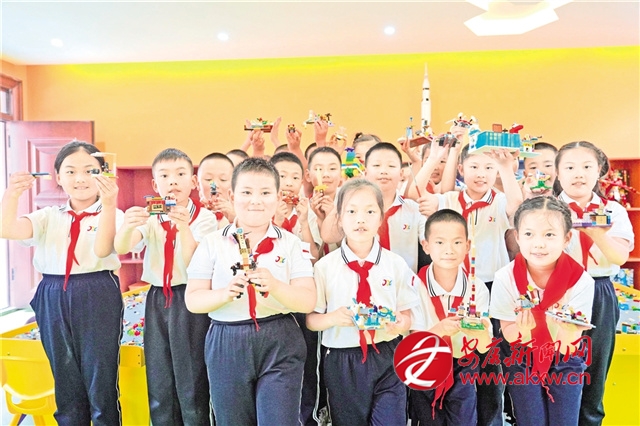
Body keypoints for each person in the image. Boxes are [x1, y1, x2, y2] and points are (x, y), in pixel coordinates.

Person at [185, 157, 316, 426]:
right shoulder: (212, 243)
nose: (256, 201)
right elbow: (193, 299)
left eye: (265, 193)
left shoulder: (291, 244)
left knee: (279, 420)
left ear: (278, 198)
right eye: (246, 192)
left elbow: (307, 300)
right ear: (232, 196)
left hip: (280, 337)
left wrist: (276, 286)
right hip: (226, 338)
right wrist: (224, 293)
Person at [1, 141, 124, 425]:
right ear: (58, 176)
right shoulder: (48, 216)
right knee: (64, 377)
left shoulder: (113, 214)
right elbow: (6, 229)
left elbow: (104, 249)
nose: (80, 178)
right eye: (70, 171)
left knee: (101, 377)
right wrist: (12, 194)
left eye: (90, 170)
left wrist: (109, 204)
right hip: (52, 293)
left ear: (103, 173)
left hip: (97, 290)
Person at [418, 144, 524, 426]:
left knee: (490, 365)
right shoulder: (448, 199)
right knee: (456, 355)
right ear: (461, 169)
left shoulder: (500, 201)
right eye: (474, 167)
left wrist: (506, 167)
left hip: (490, 288)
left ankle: (490, 420)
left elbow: (517, 207)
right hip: (452, 285)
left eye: (489, 168)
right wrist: (436, 157)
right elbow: (418, 197)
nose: (481, 174)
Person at [114, 148, 216, 426]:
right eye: (165, 176)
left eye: (181, 174)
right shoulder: (151, 217)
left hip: (190, 297)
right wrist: (127, 226)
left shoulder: (204, 218)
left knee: (191, 373)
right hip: (157, 298)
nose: (173, 181)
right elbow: (122, 247)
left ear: (193, 182)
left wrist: (184, 228)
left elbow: (196, 264)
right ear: (155, 185)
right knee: (158, 372)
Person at [308, 179, 422, 426]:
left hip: (387, 353)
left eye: (370, 212)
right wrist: (333, 318)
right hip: (342, 359)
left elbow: (407, 314)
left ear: (381, 218)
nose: (361, 219)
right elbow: (312, 321)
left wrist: (400, 323)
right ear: (339, 218)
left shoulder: (395, 264)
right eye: (351, 211)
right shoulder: (325, 267)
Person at [490, 196, 595, 426]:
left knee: (564, 421)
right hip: (522, 357)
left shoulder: (580, 281)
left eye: (549, 235)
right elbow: (508, 333)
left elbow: (569, 345)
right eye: (529, 234)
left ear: (566, 238)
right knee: (530, 420)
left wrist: (563, 327)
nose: (538, 244)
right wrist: (524, 331)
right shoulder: (505, 278)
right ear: (517, 237)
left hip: (565, 359)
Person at [553, 141, 634, 426]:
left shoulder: (613, 210)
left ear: (599, 170)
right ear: (558, 173)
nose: (579, 173)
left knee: (595, 370)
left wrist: (597, 231)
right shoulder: (547, 209)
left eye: (587, 166)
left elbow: (619, 256)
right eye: (570, 167)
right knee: (555, 367)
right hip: (557, 291)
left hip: (599, 291)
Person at [411, 209, 492, 426]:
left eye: (457, 242)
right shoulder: (415, 287)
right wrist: (439, 330)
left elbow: (484, 347)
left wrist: (481, 332)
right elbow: (412, 343)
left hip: (464, 366)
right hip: (425, 363)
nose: (449, 250)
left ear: (467, 245)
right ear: (426, 246)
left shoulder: (477, 288)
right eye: (440, 242)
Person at [321, 143, 427, 273]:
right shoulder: (353, 207)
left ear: (401, 174)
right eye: (376, 165)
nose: (384, 171)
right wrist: (346, 195)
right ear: (365, 172)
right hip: (361, 280)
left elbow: (430, 241)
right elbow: (328, 237)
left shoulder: (413, 209)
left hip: (403, 281)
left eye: (391, 166)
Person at [307, 147, 343, 257]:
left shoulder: (351, 203)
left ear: (341, 173)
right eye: (318, 169)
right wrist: (321, 221)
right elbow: (312, 258)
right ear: (308, 175)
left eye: (332, 169)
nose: (326, 174)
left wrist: (331, 217)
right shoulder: (301, 208)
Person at [198, 152, 236, 226]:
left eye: (223, 179)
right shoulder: (189, 212)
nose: (215, 185)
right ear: (197, 184)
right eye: (208, 179)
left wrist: (235, 220)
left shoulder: (241, 213)